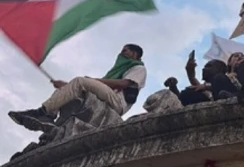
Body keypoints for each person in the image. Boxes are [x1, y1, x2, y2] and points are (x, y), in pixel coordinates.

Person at [8, 44, 147, 132]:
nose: (121, 53)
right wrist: (66, 86)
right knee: (62, 90)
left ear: (135, 55)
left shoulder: (138, 68)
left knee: (81, 81)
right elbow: (89, 86)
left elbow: (123, 84)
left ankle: (41, 112)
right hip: (105, 95)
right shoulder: (118, 69)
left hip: (117, 102)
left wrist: (91, 80)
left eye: (125, 51)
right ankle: (49, 117)